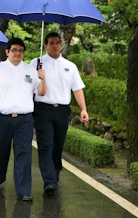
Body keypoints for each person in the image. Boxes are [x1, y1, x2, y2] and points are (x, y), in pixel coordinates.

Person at [0, 38, 47, 202]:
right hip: (1, 118)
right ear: (7, 52)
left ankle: (23, 191)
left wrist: (43, 79)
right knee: (0, 152)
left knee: (24, 154)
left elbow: (42, 93)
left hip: (24, 119)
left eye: (21, 50)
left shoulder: (30, 70)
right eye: (14, 50)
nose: (18, 53)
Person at [30, 32, 89, 196]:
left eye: (57, 43)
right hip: (42, 109)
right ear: (45, 45)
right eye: (51, 43)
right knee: (45, 145)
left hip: (62, 110)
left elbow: (77, 89)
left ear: (61, 45)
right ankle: (49, 181)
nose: (55, 45)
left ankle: (54, 172)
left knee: (57, 146)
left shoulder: (70, 66)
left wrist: (83, 109)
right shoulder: (36, 63)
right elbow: (28, 86)